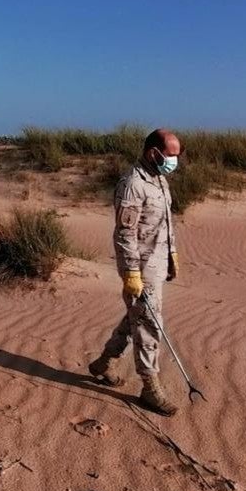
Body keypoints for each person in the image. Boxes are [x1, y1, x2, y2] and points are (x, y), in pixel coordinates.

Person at [89, 128, 183, 416]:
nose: (173, 162)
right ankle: (150, 387)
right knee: (149, 325)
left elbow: (163, 224)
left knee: (137, 316)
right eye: (170, 156)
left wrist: (172, 254)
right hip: (139, 266)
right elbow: (124, 234)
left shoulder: (159, 180)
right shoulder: (132, 184)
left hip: (156, 263)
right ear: (152, 152)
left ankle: (104, 363)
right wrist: (131, 273)